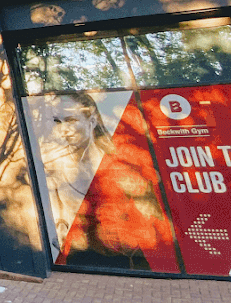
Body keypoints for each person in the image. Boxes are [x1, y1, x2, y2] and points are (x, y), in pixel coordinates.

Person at [40, 92, 168, 270]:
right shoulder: (53, 167)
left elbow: (153, 218)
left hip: (126, 262)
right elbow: (58, 217)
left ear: (91, 122)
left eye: (71, 120)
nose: (64, 130)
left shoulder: (122, 163)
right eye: (57, 121)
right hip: (77, 262)